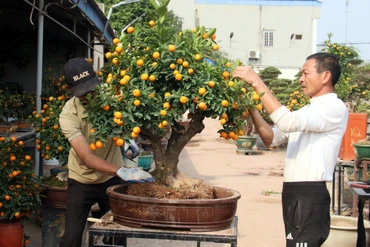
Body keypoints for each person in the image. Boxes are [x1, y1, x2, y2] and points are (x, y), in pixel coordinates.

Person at [233, 52, 348, 247]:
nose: (301, 80)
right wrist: (251, 107)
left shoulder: (333, 108)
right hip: (294, 192)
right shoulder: (309, 110)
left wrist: (256, 82)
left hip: (310, 193)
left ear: (325, 76)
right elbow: (272, 138)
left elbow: (287, 121)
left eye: (306, 73)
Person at [59, 58, 154, 247]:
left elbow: (125, 123)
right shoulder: (68, 115)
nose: (91, 95)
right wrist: (122, 171)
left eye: (92, 88)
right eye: (84, 92)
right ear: (70, 90)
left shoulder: (112, 101)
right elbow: (86, 157)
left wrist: (128, 138)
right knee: (71, 238)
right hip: (82, 180)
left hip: (110, 180)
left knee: (117, 234)